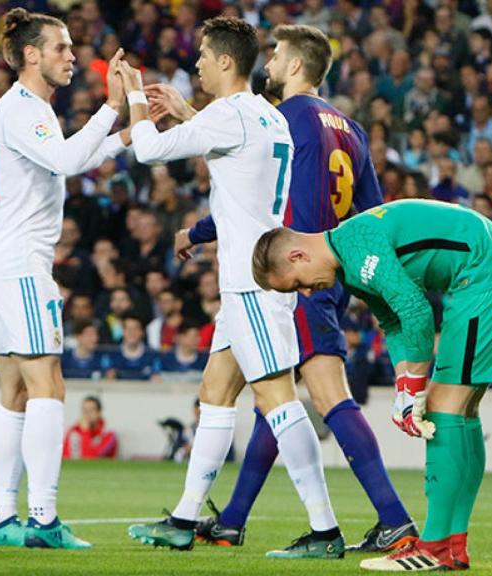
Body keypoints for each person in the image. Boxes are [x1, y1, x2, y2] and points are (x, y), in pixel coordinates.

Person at [152, 24, 417, 553]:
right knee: (261, 396)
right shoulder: (350, 128)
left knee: (318, 395)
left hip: (291, 270)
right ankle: (230, 520)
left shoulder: (283, 117)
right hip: (330, 270)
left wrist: (201, 232)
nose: (267, 66)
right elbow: (373, 212)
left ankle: (391, 518)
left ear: (296, 66)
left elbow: (265, 199)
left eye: (275, 57)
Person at [120, 17, 344, 558]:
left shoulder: (231, 115)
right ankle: (183, 517)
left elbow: (149, 151)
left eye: (201, 54)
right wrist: (189, 113)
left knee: (277, 400)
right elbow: (235, 156)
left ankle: (325, 530)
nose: (195, 63)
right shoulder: (267, 117)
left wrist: (132, 96)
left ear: (225, 61)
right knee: (215, 394)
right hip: (253, 282)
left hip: (253, 285)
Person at [252, 199, 492, 571]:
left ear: (297, 256)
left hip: (488, 279)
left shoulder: (358, 247)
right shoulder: (349, 260)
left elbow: (417, 313)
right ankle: (452, 545)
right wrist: (405, 389)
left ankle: (433, 546)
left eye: (296, 285)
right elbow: (393, 324)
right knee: (461, 411)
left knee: (443, 408)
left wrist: (414, 391)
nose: (306, 292)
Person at [0, 8, 132, 549]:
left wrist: (119, 137)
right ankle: (42, 520)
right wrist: (111, 107)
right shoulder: (24, 108)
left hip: (0, 258)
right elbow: (65, 160)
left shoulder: (26, 109)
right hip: (20, 262)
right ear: (32, 55)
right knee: (48, 386)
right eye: (62, 47)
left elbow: (64, 159)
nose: (72, 56)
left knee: (15, 391)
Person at [103, 315, 161, 380]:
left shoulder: (152, 355)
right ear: (123, 331)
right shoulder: (112, 355)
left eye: (135, 329)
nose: (131, 332)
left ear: (142, 332)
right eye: (128, 328)